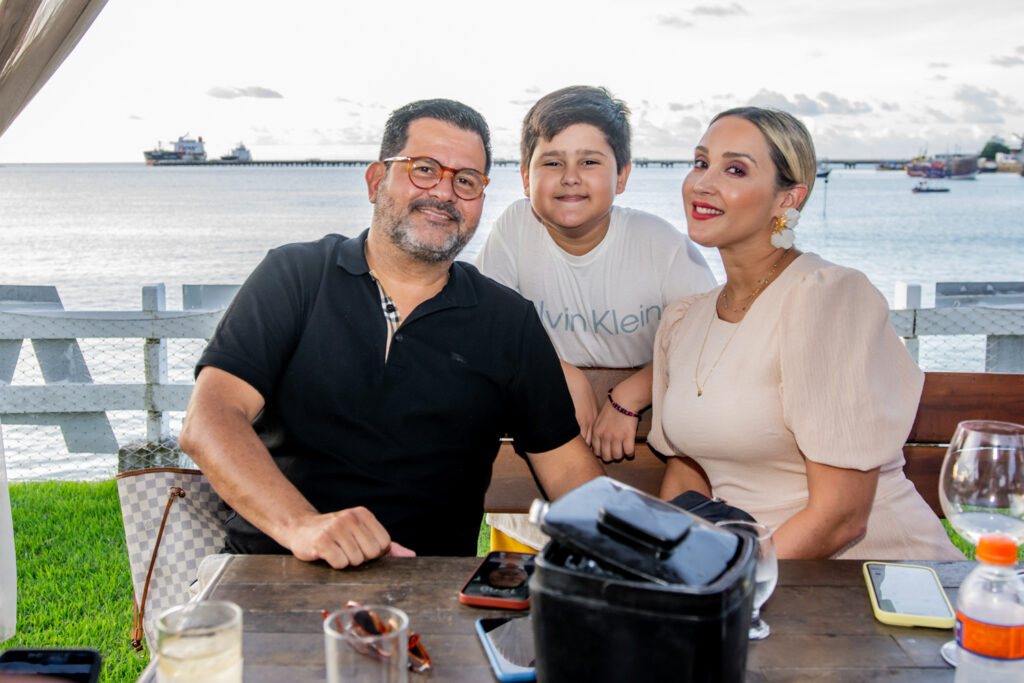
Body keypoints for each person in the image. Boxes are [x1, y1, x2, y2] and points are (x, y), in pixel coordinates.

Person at [178, 99, 604, 569]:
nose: (444, 192)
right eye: (424, 169)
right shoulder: (295, 276)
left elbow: (567, 470)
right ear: (376, 181)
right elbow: (210, 418)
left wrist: (657, 555)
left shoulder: (508, 321)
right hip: (270, 574)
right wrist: (303, 526)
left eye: (466, 180)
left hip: (428, 592)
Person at [651, 106, 961, 560]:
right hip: (755, 579)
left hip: (869, 583)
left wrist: (725, 587)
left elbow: (841, 517)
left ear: (787, 199)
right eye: (701, 163)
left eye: (734, 169)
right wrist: (652, 564)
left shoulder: (828, 298)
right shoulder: (684, 321)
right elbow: (686, 474)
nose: (703, 183)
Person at [475, 86, 715, 550]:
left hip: (643, 470)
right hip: (536, 504)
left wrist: (631, 395)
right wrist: (558, 371)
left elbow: (709, 339)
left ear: (621, 175)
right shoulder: (514, 230)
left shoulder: (658, 244)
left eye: (589, 162)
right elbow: (488, 326)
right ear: (525, 177)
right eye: (551, 162)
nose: (570, 177)